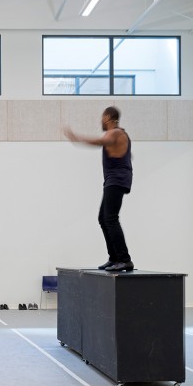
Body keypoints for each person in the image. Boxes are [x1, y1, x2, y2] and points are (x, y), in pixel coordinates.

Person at [64, 106, 134, 272]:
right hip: (114, 179)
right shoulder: (119, 135)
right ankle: (115, 258)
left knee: (110, 218)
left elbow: (103, 141)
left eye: (102, 117)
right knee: (103, 218)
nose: (101, 121)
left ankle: (125, 259)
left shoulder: (115, 132)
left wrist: (78, 138)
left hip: (116, 180)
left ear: (108, 117)